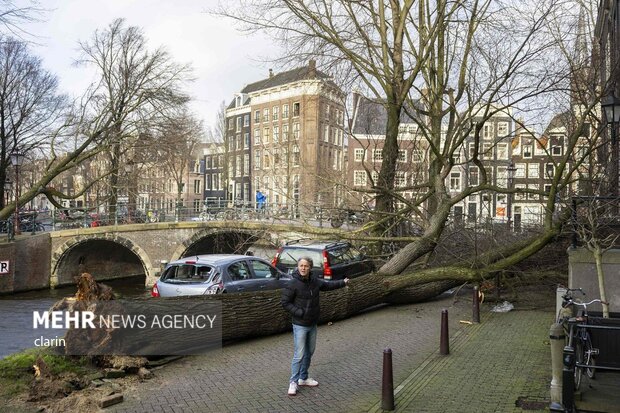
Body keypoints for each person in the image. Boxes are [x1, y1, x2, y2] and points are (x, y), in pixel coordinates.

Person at [281, 257, 349, 396]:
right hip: (300, 324)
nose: (303, 268)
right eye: (301, 265)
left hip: (312, 323)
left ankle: (303, 378)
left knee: (309, 352)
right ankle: (293, 382)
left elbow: (328, 285)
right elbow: (285, 302)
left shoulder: (315, 281)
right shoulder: (293, 283)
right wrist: (300, 312)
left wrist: (343, 282)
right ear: (298, 267)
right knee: (298, 355)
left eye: (306, 266)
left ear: (310, 267)